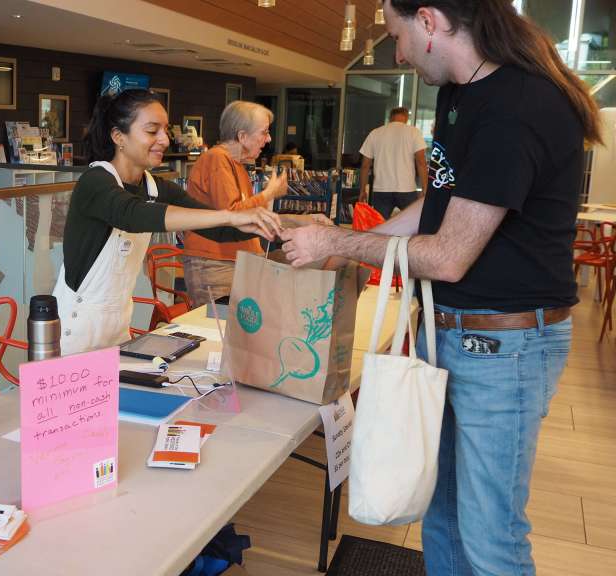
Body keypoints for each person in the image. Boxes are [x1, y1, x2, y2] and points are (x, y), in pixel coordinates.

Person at [280, 1, 599, 574]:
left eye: (396, 35)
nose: (398, 54)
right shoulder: (460, 95)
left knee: (491, 536)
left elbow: (449, 257)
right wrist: (354, 242)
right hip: (447, 334)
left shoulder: (519, 106)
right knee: (443, 517)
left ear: (428, 21)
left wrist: (337, 241)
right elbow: (439, 204)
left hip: (504, 348)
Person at [53, 89, 283, 355]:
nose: (164, 140)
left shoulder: (155, 187)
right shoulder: (95, 182)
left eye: (165, 130)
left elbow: (219, 230)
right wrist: (231, 214)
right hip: (72, 336)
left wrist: (287, 225)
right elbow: (133, 214)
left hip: (117, 333)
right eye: (152, 131)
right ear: (118, 137)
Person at [180, 101, 290, 306]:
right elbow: (233, 214)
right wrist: (268, 194)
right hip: (215, 264)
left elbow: (246, 214)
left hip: (232, 262)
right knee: (217, 324)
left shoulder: (235, 164)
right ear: (242, 136)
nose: (268, 139)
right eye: (264, 132)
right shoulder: (217, 159)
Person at [358, 106, 428, 220]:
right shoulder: (413, 132)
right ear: (406, 118)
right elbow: (421, 162)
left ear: (390, 118)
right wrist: (425, 188)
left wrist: (362, 190)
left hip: (382, 189)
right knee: (410, 224)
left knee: (381, 226)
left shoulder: (375, 133)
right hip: (406, 189)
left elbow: (365, 166)